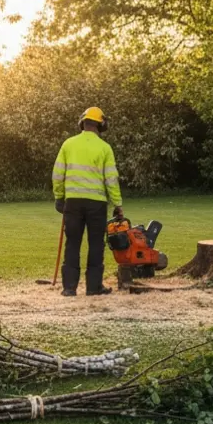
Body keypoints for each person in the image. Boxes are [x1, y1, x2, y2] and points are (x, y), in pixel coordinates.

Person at [51, 107, 124, 297]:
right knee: (96, 244)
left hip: (73, 203)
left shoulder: (68, 144)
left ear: (82, 123)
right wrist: (117, 204)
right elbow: (111, 179)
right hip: (97, 204)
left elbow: (57, 174)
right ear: (101, 125)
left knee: (72, 243)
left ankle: (69, 288)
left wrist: (59, 197)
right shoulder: (104, 148)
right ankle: (93, 287)